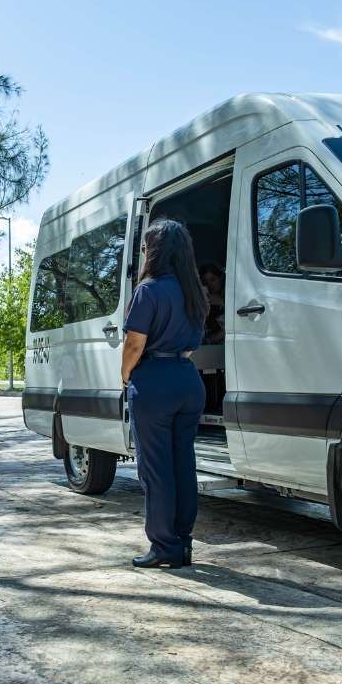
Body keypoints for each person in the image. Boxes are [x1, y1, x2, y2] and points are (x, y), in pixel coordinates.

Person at [122, 218, 208, 569]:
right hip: (188, 380)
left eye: (144, 248)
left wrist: (126, 375)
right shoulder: (195, 293)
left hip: (154, 381)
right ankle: (183, 543)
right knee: (183, 465)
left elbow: (134, 343)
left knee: (156, 470)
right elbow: (191, 346)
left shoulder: (149, 290)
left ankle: (163, 546)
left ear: (153, 252)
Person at [198, 263, 226, 344]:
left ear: (220, 278)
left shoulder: (230, 294)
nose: (209, 285)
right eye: (205, 282)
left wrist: (223, 302)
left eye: (213, 280)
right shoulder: (203, 298)